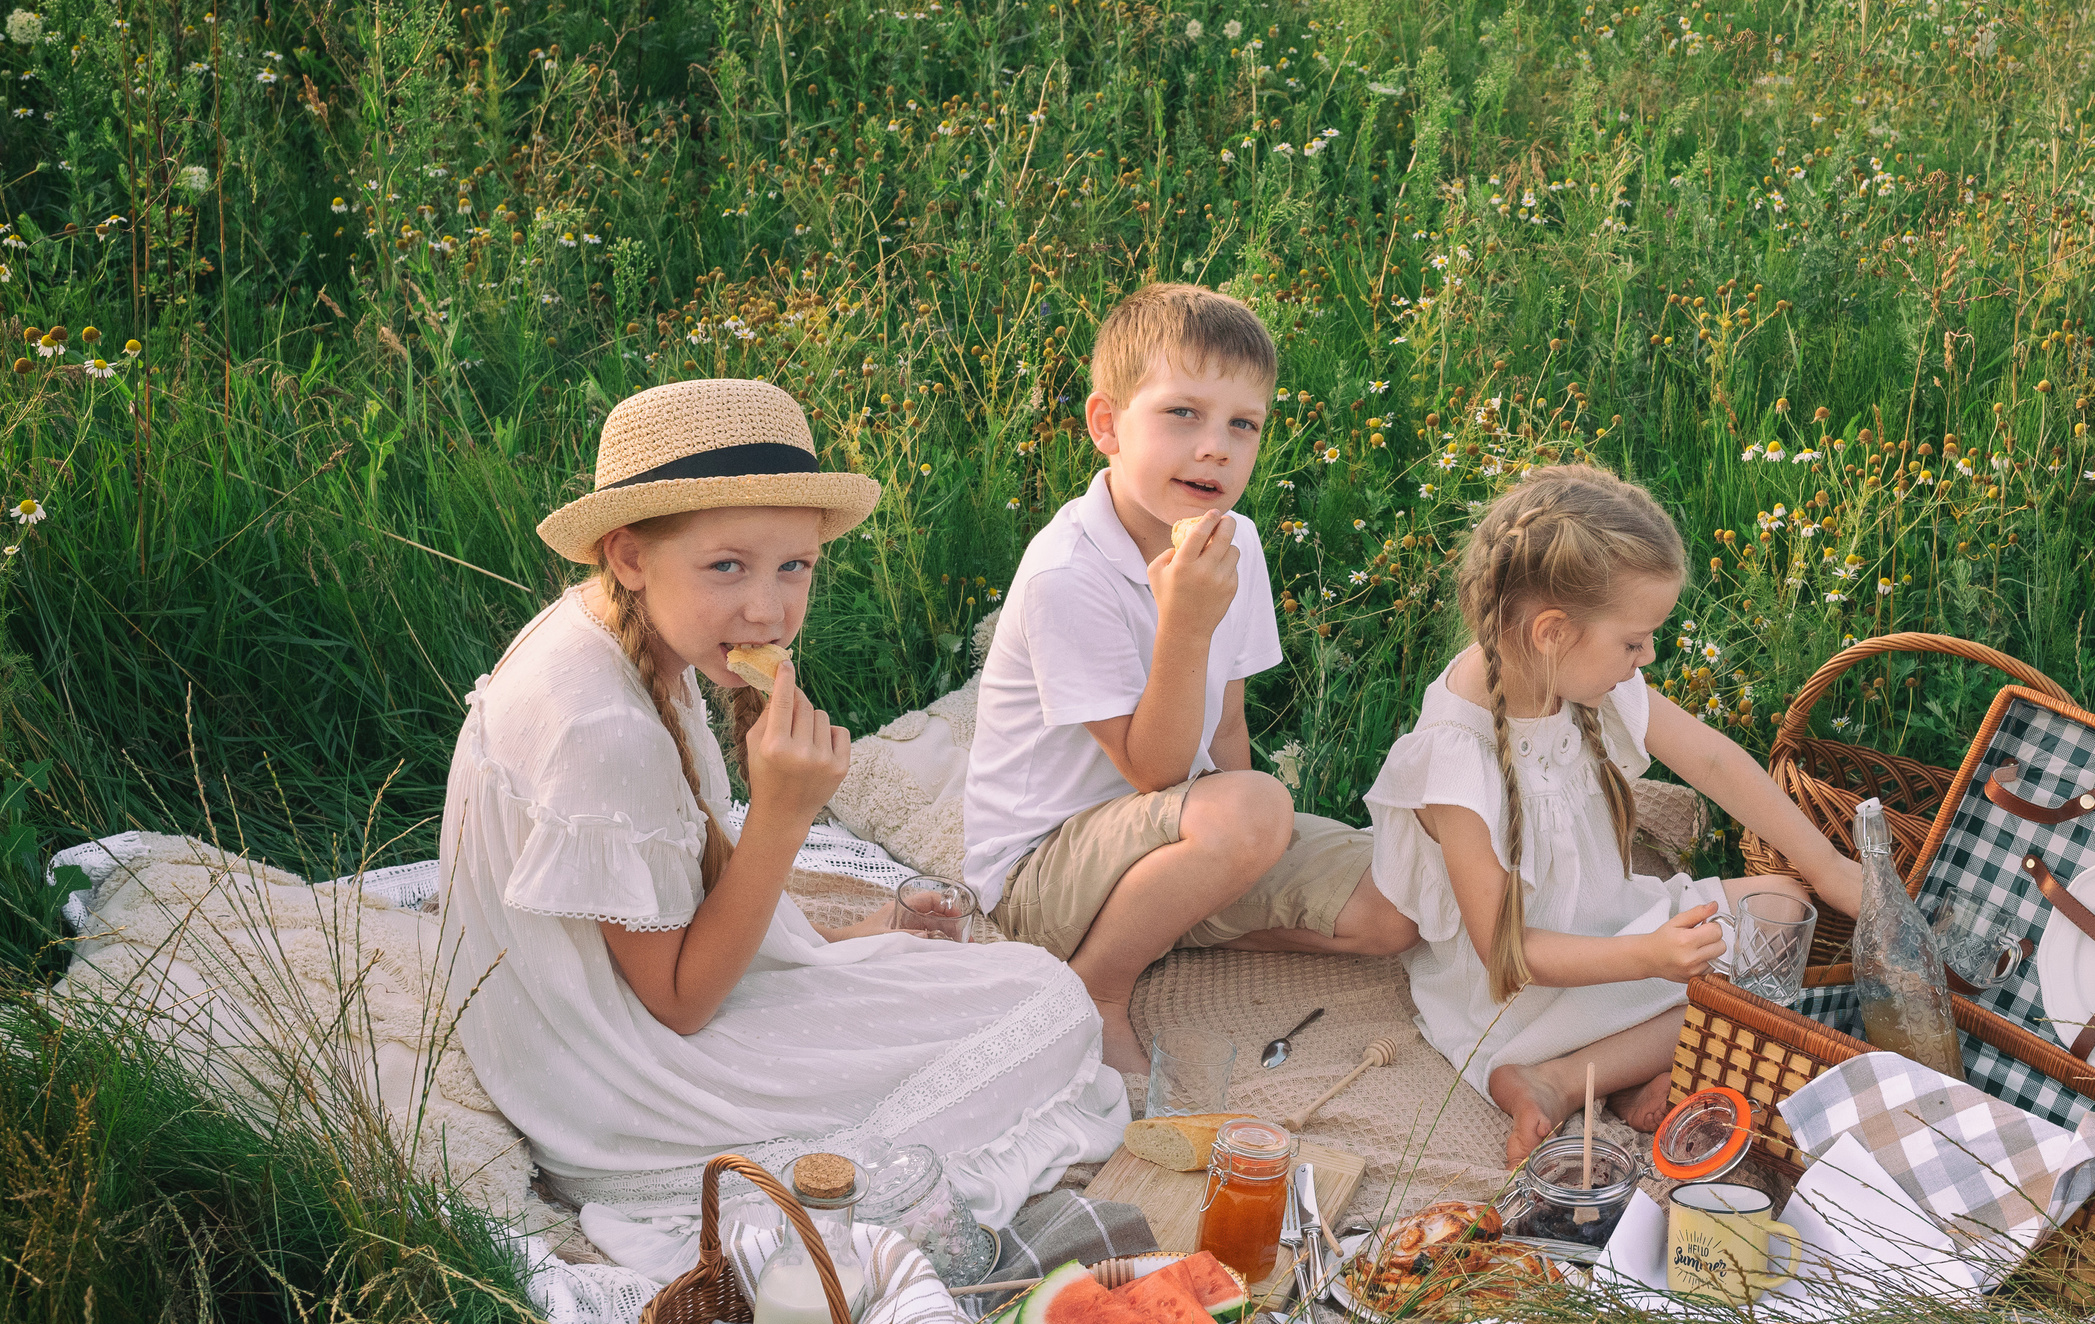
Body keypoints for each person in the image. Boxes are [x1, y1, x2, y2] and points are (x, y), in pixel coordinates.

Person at [440, 378, 1126, 1271]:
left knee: (998, 982)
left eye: (793, 566)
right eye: (728, 565)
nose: (768, 608)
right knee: (1049, 1008)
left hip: (608, 1014)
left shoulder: (632, 635)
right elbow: (680, 1003)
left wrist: (848, 930)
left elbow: (671, 888)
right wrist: (782, 817)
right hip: (617, 1088)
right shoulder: (600, 729)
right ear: (631, 555)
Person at [964, 283, 1417, 1070]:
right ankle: (1097, 986)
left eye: (1243, 425)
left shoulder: (1230, 538)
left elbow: (1228, 727)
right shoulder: (1068, 573)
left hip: (1175, 837)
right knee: (1251, 809)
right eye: (1184, 413)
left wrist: (1247, 859)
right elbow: (1158, 770)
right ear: (1106, 424)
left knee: (1392, 907)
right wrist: (1187, 622)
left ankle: (1174, 913)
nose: (1216, 446)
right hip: (1044, 876)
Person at [1364, 464, 1864, 1164]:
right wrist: (1647, 957)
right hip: (1519, 998)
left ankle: (1608, 1073)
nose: (1648, 656)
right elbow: (1509, 955)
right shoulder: (1457, 758)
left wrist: (1832, 867)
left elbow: (1714, 763)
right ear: (1551, 631)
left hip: (1621, 932)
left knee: (1785, 907)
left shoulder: (1582, 679)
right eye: (1634, 641)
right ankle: (1558, 1076)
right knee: (1729, 996)